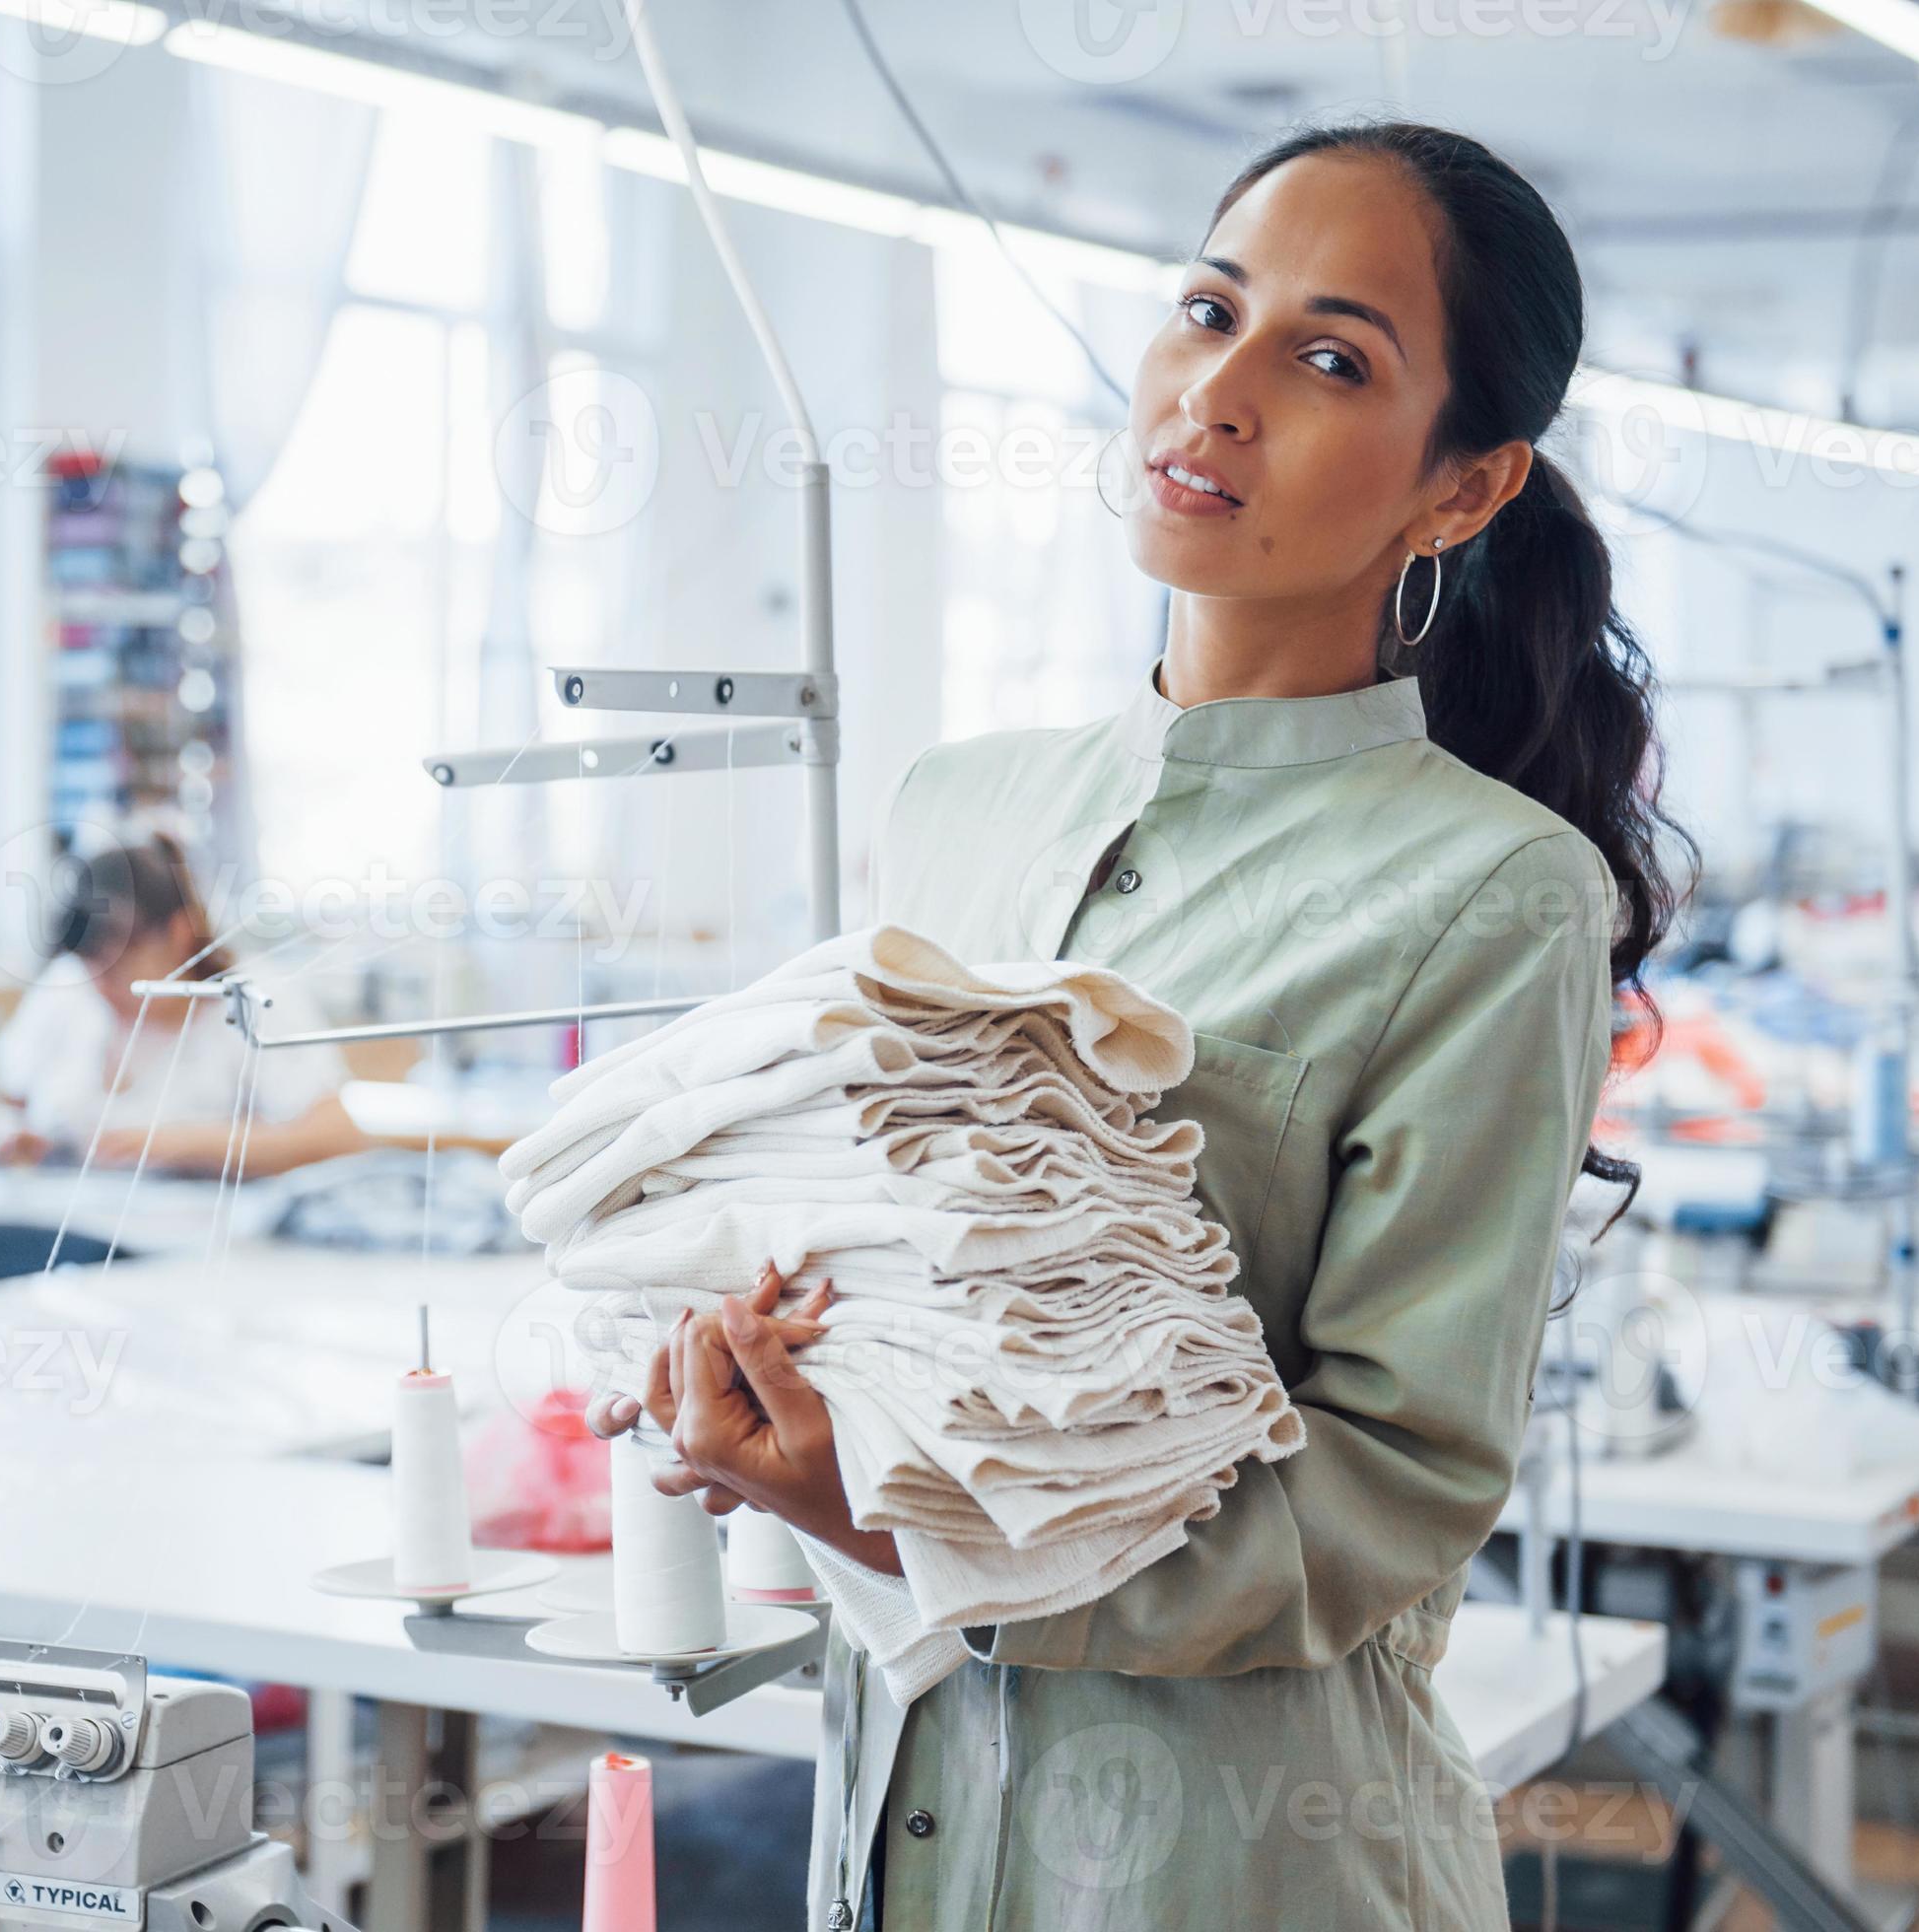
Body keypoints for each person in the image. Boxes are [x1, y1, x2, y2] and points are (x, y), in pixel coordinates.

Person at [588, 120, 1689, 1928]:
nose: (1220, 392)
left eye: (1332, 357)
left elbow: (1390, 1490)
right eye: (1206, 310)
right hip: (901, 1836)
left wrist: (902, 1522)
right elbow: (876, 1258)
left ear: (1463, 490)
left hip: (1234, 1867)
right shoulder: (957, 805)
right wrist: (760, 1391)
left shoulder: (1495, 897)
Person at [0, 834, 367, 1178]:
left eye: (119, 961)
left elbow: (339, 1137)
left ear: (179, 933)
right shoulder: (69, 986)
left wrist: (179, 1144)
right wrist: (16, 1140)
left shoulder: (254, 1000)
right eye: (92, 963)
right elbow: (6, 1102)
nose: (101, 984)